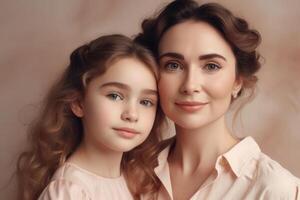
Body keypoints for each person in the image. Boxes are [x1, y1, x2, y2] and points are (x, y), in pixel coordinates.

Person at [134, 0, 300, 199]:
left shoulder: (274, 189)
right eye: (173, 65)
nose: (190, 85)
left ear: (237, 81)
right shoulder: (131, 171)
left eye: (211, 66)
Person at [16, 34, 166, 200]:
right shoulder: (69, 191)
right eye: (115, 96)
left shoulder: (137, 183)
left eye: (145, 102)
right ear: (78, 103)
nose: (132, 114)